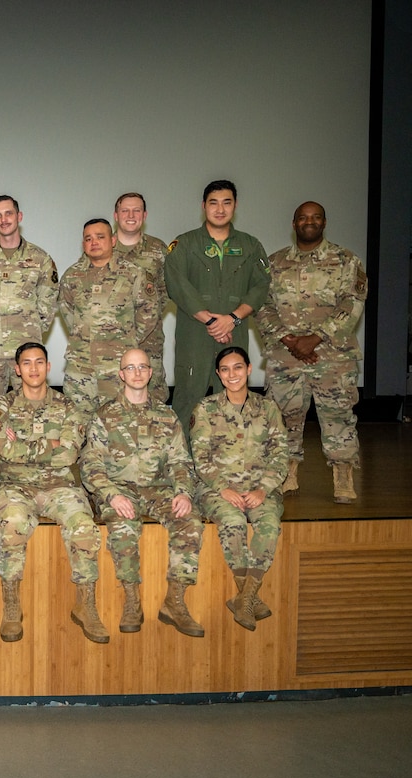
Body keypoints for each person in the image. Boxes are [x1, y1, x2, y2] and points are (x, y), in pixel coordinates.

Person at [0, 342, 108, 644]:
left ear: (48, 367)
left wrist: (24, 444)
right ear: (17, 369)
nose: (33, 368)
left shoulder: (68, 407)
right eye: (26, 363)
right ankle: (12, 603)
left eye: (39, 362)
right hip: (15, 486)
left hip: (59, 486)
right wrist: (49, 444)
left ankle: (86, 602)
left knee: (82, 522)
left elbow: (67, 456)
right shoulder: (2, 407)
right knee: (13, 521)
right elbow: (6, 451)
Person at [81, 348, 205, 637]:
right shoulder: (104, 416)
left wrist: (184, 492)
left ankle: (175, 601)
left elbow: (180, 461)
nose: (137, 373)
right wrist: (111, 495)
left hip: (158, 489)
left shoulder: (166, 416)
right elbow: (91, 463)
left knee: (191, 522)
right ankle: (132, 601)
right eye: (130, 368)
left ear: (150, 373)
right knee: (122, 527)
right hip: (120, 490)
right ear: (121, 374)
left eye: (142, 367)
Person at [255, 201, 367, 503]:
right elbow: (262, 306)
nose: (309, 222)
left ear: (324, 223)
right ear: (294, 224)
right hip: (286, 356)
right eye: (303, 218)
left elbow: (352, 304)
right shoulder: (274, 263)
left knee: (338, 417)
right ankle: (286, 473)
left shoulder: (346, 260)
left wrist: (315, 338)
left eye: (316, 217)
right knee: (283, 418)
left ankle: (343, 476)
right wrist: (290, 340)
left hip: (333, 357)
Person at [165, 180, 270, 441]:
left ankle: (229, 462)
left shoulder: (250, 245)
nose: (220, 209)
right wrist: (212, 321)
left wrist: (233, 318)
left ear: (235, 206)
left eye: (227, 202)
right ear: (203, 207)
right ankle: (185, 464)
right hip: (195, 334)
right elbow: (177, 285)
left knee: (233, 396)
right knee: (190, 395)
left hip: (235, 333)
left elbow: (260, 286)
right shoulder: (185, 244)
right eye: (213, 203)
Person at [191, 347, 287, 631]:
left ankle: (244, 597)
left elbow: (281, 454)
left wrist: (264, 489)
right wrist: (222, 488)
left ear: (248, 369)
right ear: (219, 375)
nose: (232, 374)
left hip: (260, 488)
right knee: (232, 521)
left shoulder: (268, 408)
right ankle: (249, 598)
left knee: (269, 524)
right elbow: (200, 457)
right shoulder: (206, 408)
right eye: (225, 369)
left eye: (237, 367)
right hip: (216, 489)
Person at [59, 218, 159, 420]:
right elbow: (67, 311)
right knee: (77, 422)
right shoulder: (72, 276)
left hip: (118, 366)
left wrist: (126, 341)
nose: (93, 242)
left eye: (100, 237)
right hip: (81, 366)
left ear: (113, 240)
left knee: (118, 423)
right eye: (88, 238)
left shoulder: (133, 274)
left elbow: (149, 311)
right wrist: (87, 336)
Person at [0, 195, 58, 400]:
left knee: (29, 407)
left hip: (27, 351)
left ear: (19, 216)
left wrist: (31, 329)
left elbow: (48, 302)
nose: (4, 219)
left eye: (8, 213)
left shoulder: (40, 259)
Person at [112, 192, 170, 404]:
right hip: (109, 341)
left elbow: (166, 291)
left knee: (152, 396)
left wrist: (145, 319)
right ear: (116, 215)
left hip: (148, 341)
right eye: (125, 210)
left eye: (136, 210)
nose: (130, 215)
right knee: (111, 396)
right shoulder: (101, 245)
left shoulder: (158, 250)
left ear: (144, 215)